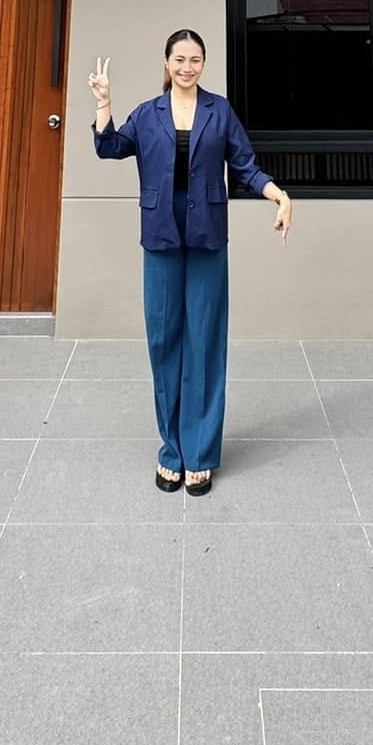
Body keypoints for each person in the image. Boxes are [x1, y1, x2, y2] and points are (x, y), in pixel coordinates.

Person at [89, 30, 292, 494]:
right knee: (164, 339)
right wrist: (104, 103)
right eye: (179, 59)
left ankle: (199, 452)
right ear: (167, 62)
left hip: (206, 235)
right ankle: (172, 450)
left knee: (204, 339)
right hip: (160, 233)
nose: (187, 67)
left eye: (195, 59)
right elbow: (109, 147)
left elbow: (245, 166)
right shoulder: (148, 113)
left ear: (203, 63)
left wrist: (278, 195)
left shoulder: (219, 111)